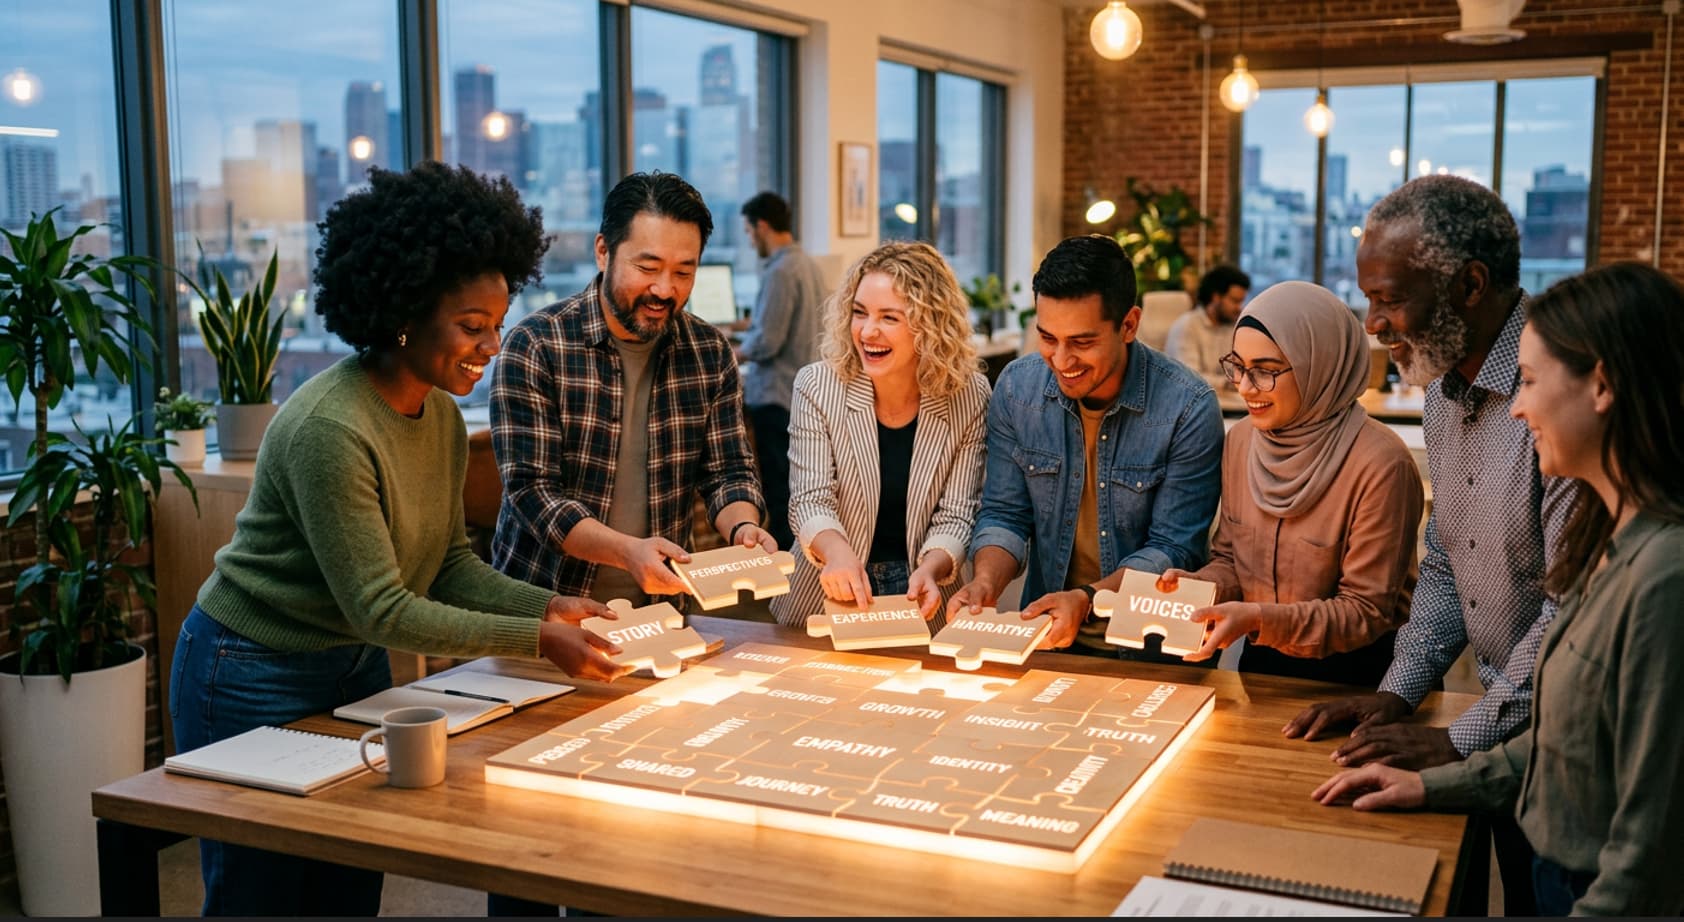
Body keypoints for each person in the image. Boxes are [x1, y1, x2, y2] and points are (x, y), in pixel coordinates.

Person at [169, 162, 629, 917]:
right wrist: (536, 638)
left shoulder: (441, 415)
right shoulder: (330, 428)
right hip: (249, 668)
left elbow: (447, 564)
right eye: (472, 327)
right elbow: (381, 606)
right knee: (261, 894)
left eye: (498, 324)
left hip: (353, 661)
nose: (492, 345)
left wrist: (549, 606)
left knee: (351, 880)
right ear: (406, 314)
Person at [1312, 262, 1684, 916]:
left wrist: (1455, 751)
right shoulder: (1605, 541)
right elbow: (1559, 748)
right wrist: (1432, 785)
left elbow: (1644, 858)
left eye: (1531, 382)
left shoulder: (1662, 578)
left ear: (1602, 386)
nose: (1515, 406)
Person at [1282, 175, 1578, 915]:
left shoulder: (1560, 391)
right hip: (1505, 726)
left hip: (1574, 745)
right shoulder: (1443, 392)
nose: (1374, 324)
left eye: (1389, 299)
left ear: (1470, 285)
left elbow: (1569, 610)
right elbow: (1448, 561)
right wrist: (1398, 691)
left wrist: (1459, 739)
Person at [491, 172, 774, 608]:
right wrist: (628, 552)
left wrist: (743, 528)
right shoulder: (537, 345)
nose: (664, 289)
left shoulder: (709, 351)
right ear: (603, 251)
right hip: (546, 608)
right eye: (647, 268)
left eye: (684, 272)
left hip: (661, 610)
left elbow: (728, 472)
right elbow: (533, 492)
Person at [949, 234, 1224, 661]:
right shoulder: (1018, 389)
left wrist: (1087, 599)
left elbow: (1174, 548)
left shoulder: (1187, 407)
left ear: (1129, 325)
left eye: (1081, 342)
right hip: (1045, 640)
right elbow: (1004, 513)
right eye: (1047, 338)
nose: (1061, 361)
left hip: (1153, 652)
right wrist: (985, 582)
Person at [1157, 281, 1423, 686]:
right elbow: (1231, 559)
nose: (1244, 387)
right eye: (1238, 366)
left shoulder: (1381, 464)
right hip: (1263, 666)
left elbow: (1365, 612)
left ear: (1320, 364)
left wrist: (1259, 618)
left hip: (1363, 681)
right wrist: (1202, 587)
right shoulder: (1242, 441)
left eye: (1265, 371)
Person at [772, 242, 990, 627]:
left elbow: (957, 513)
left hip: (926, 600)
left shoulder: (969, 394)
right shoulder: (817, 385)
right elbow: (809, 499)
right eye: (859, 313)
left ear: (930, 324)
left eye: (889, 317)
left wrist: (933, 567)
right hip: (826, 595)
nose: (867, 331)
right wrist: (836, 552)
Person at [737, 191, 828, 550]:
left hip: (776, 397)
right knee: (799, 490)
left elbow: (768, 341)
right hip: (798, 395)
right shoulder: (807, 264)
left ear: (762, 226)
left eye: (749, 232)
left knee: (779, 492)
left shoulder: (779, 272)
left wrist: (731, 352)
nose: (750, 241)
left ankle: (782, 566)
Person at [1165, 264, 1250, 390]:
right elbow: (1188, 378)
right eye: (1235, 301)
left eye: (1241, 301)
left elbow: (1238, 369)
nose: (1239, 308)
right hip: (1191, 399)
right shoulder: (1187, 326)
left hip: (1225, 398)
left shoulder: (1232, 326)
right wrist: (1228, 383)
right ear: (1216, 297)